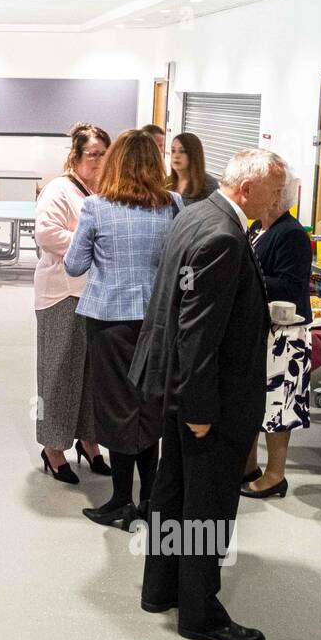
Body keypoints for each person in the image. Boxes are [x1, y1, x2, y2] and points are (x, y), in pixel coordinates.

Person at [130, 148, 287, 640]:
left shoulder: (196, 212)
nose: (280, 198)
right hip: (207, 400)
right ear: (246, 190)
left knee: (171, 493)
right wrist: (200, 411)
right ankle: (200, 612)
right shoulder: (224, 234)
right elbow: (198, 331)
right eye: (275, 189)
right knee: (208, 508)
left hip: (176, 388)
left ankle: (161, 588)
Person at [66, 130, 182, 526]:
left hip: (109, 321)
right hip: (158, 322)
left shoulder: (96, 207)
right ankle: (150, 500)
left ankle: (119, 500)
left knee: (116, 409)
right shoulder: (174, 205)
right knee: (149, 407)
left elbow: (74, 265)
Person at [33, 123, 111, 485]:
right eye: (92, 154)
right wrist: (91, 243)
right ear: (76, 157)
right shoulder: (58, 190)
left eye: (104, 154)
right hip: (62, 294)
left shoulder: (108, 191)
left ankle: (89, 441)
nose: (99, 161)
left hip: (99, 296)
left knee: (94, 376)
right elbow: (47, 234)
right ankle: (53, 448)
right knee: (60, 374)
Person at [242, 174, 313, 499]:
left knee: (279, 405)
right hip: (262, 327)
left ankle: (275, 475)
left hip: (286, 332)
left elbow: (290, 283)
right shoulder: (257, 228)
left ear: (275, 198)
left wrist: (245, 280)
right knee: (256, 402)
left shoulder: (291, 233)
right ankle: (250, 467)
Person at [166, 132, 217, 203]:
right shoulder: (166, 183)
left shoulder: (209, 185)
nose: (176, 156)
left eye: (182, 151)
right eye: (173, 151)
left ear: (194, 155)